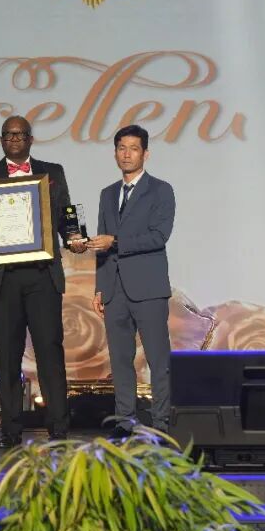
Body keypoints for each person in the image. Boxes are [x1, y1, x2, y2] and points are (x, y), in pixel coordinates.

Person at [0, 115, 85, 449]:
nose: (14, 139)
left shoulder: (52, 172)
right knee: (7, 356)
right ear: (1, 140)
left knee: (50, 353)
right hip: (3, 277)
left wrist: (75, 236)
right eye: (8, 135)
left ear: (30, 139)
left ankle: (58, 430)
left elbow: (67, 214)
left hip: (43, 275)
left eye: (20, 134)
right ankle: (10, 431)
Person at [87, 124, 175, 436]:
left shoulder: (161, 190)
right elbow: (102, 245)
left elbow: (159, 236)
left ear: (145, 154)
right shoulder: (108, 193)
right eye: (121, 148)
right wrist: (100, 287)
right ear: (115, 153)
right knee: (120, 361)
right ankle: (125, 421)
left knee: (158, 360)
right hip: (115, 289)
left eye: (133, 148)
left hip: (148, 288)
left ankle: (162, 423)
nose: (127, 154)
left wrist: (116, 241)